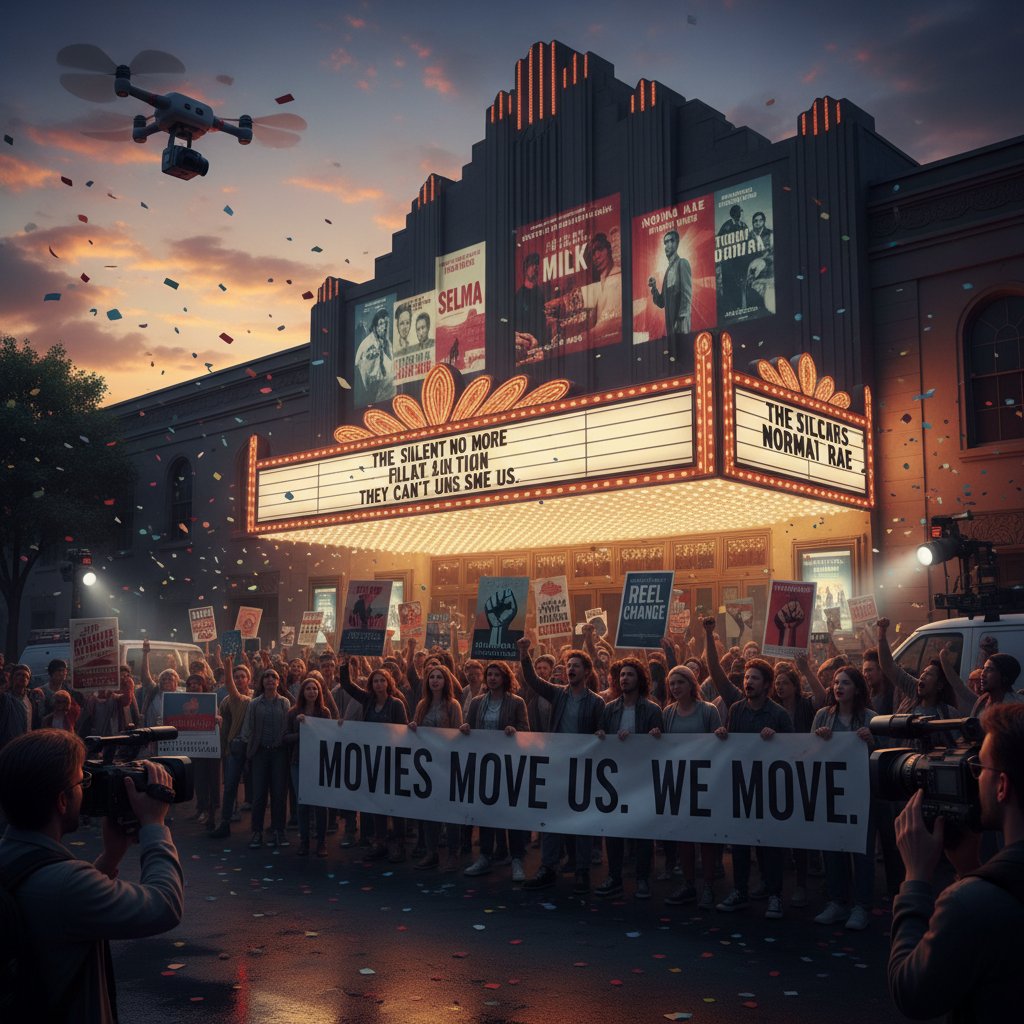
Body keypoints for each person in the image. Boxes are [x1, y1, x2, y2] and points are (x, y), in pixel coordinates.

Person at [0, 729, 183, 1022]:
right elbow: (164, 905)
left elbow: (58, 910)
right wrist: (154, 824)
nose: (86, 789)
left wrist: (111, 857)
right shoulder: (68, 885)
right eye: (82, 781)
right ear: (62, 801)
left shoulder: (14, 858)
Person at [889, 704, 1024, 1022]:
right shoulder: (981, 895)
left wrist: (916, 880)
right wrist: (969, 868)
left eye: (979, 768)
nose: (974, 778)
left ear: (1002, 786)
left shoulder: (969, 904)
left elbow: (911, 993)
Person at [702, 616, 793, 919]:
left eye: (755, 678)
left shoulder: (779, 715)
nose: (748, 682)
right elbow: (716, 674)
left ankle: (774, 894)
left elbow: (792, 753)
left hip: (769, 791)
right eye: (746, 678)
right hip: (740, 788)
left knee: (770, 846)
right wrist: (722, 736)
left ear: (767, 685)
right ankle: (740, 890)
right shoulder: (736, 708)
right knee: (740, 844)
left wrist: (776, 740)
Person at [517, 639, 605, 895]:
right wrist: (525, 655)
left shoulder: (597, 702)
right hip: (557, 766)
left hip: (583, 769)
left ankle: (582, 870)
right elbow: (533, 680)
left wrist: (601, 732)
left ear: (586, 672)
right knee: (552, 819)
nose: (571, 669)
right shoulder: (558, 693)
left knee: (581, 822)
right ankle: (548, 867)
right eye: (569, 665)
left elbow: (601, 730)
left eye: (576, 666)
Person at [812, 667, 877, 931]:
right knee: (833, 847)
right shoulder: (822, 716)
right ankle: (837, 902)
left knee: (862, 851)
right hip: (831, 793)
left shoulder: (871, 718)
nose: (839, 687)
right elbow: (808, 752)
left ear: (858, 689)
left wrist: (872, 741)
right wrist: (820, 739)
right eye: (836, 682)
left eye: (846, 683)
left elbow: (882, 757)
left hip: (862, 794)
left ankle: (861, 906)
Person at [594, 657, 664, 899]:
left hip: (642, 779)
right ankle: (614, 876)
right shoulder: (609, 709)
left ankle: (642, 879)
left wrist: (654, 735)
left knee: (642, 832)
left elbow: (661, 747)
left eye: (630, 674)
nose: (625, 678)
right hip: (614, 779)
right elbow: (601, 740)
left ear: (640, 679)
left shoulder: (653, 710)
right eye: (622, 675)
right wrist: (601, 734)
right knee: (613, 830)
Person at [654, 664, 722, 910]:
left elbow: (719, 744)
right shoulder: (668, 713)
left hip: (704, 782)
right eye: (671, 684)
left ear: (692, 684)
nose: (675, 687)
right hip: (679, 782)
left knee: (705, 837)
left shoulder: (708, 710)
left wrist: (721, 734)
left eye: (680, 682)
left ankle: (709, 886)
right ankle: (689, 883)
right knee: (684, 836)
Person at [460, 661, 530, 882]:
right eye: (489, 674)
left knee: (511, 814)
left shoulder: (517, 702)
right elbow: (468, 727)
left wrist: (515, 731)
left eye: (496, 675)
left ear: (505, 678)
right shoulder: (477, 702)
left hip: (508, 767)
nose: (491, 678)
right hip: (484, 765)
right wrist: (465, 729)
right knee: (486, 812)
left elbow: (526, 731)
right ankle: (485, 857)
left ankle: (517, 859)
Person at [239, 666, 291, 849]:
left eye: (273, 677)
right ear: (262, 682)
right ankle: (257, 831)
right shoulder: (254, 704)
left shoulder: (285, 703)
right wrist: (248, 750)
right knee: (259, 794)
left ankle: (279, 830)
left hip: (279, 754)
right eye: (266, 677)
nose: (270, 679)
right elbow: (248, 728)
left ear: (278, 682)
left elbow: (287, 726)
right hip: (259, 753)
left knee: (278, 794)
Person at [647, 229, 692, 345]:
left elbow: (687, 295)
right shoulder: (667, 272)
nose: (667, 245)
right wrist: (654, 288)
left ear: (676, 243)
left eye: (670, 241)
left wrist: (680, 321)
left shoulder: (682, 263)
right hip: (671, 330)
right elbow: (662, 302)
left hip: (681, 327)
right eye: (665, 243)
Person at [354, 308, 395, 406]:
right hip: (371, 393)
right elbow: (367, 375)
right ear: (374, 327)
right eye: (381, 324)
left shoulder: (386, 342)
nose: (384, 327)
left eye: (386, 323)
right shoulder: (369, 345)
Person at [514, 252, 549, 358]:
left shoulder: (541, 293)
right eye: (532, 265)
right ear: (525, 269)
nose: (535, 268)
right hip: (526, 347)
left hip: (541, 346)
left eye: (536, 265)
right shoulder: (519, 296)